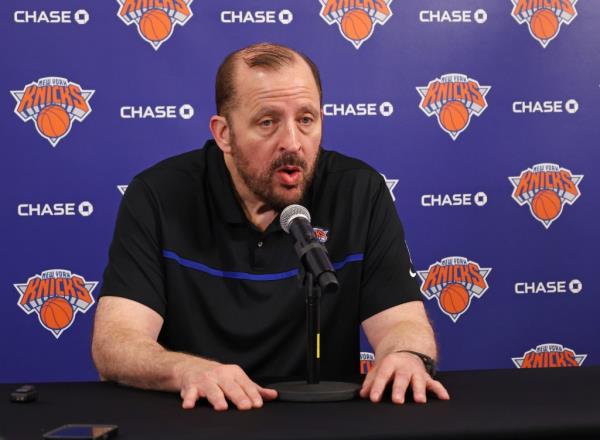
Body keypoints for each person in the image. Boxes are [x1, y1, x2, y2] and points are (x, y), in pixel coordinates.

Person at [92, 42, 450, 411]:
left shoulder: (360, 190)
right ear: (224, 134)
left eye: (306, 120)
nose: (292, 142)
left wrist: (407, 356)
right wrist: (186, 370)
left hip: (324, 421)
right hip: (202, 420)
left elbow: (401, 323)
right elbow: (117, 343)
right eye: (268, 122)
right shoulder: (157, 195)